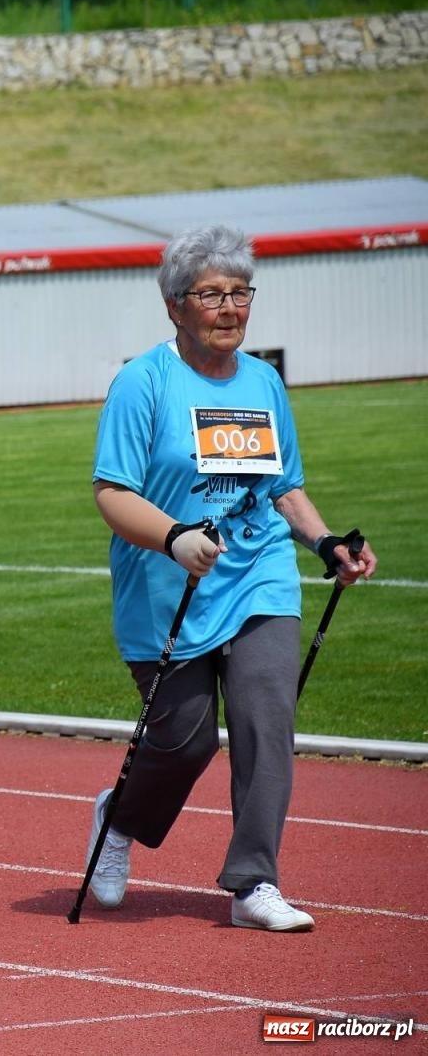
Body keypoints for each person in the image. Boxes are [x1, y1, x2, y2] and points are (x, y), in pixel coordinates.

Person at [84, 225, 377, 932]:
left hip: (259, 577)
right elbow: (112, 494)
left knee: (266, 718)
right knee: (185, 741)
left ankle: (254, 883)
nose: (229, 307)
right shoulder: (142, 382)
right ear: (175, 306)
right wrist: (176, 536)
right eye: (211, 294)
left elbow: (284, 487)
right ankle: (117, 819)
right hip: (167, 588)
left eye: (240, 293)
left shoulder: (263, 382)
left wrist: (325, 542)